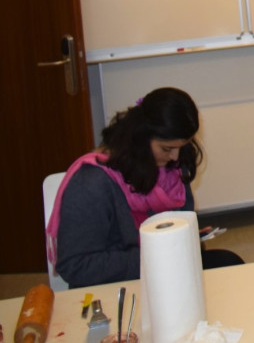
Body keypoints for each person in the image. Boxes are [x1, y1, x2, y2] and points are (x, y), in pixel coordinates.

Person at [46, 87, 243, 287]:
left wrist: (189, 239)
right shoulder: (91, 183)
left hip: (164, 268)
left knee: (230, 264)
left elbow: (176, 227)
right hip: (117, 283)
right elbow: (76, 265)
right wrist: (157, 255)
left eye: (181, 147)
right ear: (142, 138)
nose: (175, 156)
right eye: (167, 148)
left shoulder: (173, 167)